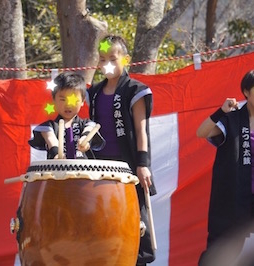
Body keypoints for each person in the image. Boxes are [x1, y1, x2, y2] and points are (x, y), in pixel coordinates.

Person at [196, 69, 254, 265]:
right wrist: (221, 111)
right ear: (246, 91)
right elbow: (201, 132)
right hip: (235, 198)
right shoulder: (232, 119)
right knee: (220, 250)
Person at [87, 34, 156, 265]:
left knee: (134, 222)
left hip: (128, 169)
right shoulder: (94, 93)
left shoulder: (135, 89)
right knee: (103, 223)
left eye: (113, 59)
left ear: (125, 60)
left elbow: (140, 130)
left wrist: (143, 165)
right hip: (100, 169)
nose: (107, 63)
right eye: (103, 58)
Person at [29, 71, 105, 159]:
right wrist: (57, 153)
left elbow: (88, 132)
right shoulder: (48, 127)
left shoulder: (88, 124)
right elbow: (50, 139)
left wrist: (85, 141)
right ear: (54, 99)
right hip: (56, 170)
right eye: (62, 99)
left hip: (83, 170)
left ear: (82, 101)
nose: (68, 105)